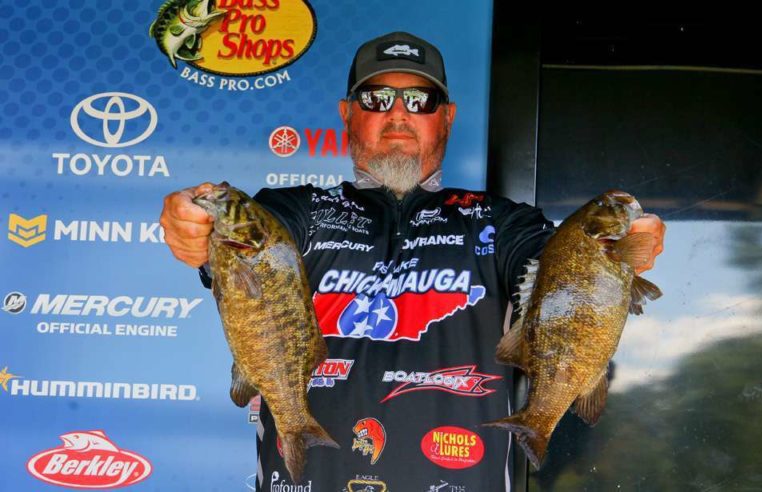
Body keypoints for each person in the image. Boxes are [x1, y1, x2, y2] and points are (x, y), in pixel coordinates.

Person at [160, 32, 665, 491]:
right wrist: (195, 229)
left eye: (420, 100)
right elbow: (242, 253)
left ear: (447, 116)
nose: (398, 114)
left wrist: (621, 250)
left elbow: (563, 270)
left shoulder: (505, 222)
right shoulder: (293, 212)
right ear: (347, 113)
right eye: (377, 98)